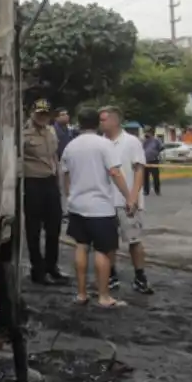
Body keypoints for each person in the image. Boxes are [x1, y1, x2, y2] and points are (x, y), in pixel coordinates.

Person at [59, 108, 132, 308]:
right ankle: (103, 296)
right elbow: (115, 173)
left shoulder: (70, 146)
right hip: (100, 207)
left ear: (79, 123)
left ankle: (81, 294)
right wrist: (128, 197)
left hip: (77, 205)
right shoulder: (104, 145)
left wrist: (70, 196)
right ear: (97, 123)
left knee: (81, 246)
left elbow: (66, 176)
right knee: (103, 250)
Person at [99, 107, 151, 294]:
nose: (101, 123)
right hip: (106, 201)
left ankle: (140, 276)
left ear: (115, 120)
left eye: (104, 119)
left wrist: (134, 196)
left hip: (128, 201)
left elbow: (139, 169)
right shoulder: (100, 143)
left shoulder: (131, 142)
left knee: (134, 240)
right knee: (108, 242)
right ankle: (111, 275)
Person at [21, 99, 63, 286]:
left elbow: (54, 156)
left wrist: (59, 181)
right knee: (34, 230)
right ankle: (37, 270)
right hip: (32, 182)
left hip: (50, 182)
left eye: (45, 114)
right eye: (39, 113)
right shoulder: (23, 133)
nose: (42, 117)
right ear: (32, 112)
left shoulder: (51, 131)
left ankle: (51, 266)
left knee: (54, 228)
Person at [141, 129, 164, 196]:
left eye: (147, 133)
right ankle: (146, 191)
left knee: (155, 177)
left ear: (151, 133)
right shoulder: (144, 141)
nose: (146, 134)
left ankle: (157, 191)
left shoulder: (156, 140)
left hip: (154, 161)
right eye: (146, 133)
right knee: (145, 177)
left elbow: (161, 147)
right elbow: (141, 148)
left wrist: (156, 152)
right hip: (145, 161)